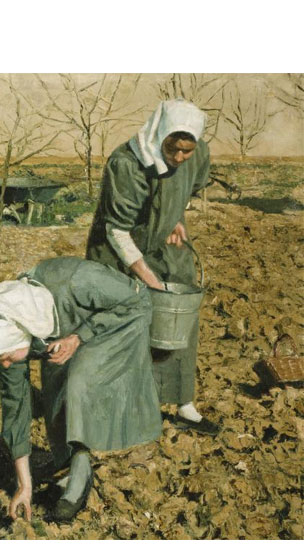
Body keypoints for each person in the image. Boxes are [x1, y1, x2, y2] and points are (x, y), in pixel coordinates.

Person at [0, 257, 162, 522]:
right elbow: (16, 408)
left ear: (18, 334)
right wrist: (25, 484)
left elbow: (135, 301)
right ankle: (67, 465)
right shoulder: (12, 329)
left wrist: (80, 336)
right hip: (67, 332)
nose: (3, 363)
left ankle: (79, 477)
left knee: (78, 383)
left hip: (118, 321)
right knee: (56, 391)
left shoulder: (77, 281)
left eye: (5, 355)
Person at [86, 98, 219, 435]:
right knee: (125, 319)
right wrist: (145, 276)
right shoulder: (127, 163)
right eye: (172, 149)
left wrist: (176, 218)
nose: (178, 158)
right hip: (119, 248)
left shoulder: (197, 154)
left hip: (162, 242)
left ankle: (183, 403)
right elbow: (117, 229)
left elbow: (186, 189)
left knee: (180, 310)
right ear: (160, 135)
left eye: (185, 152)